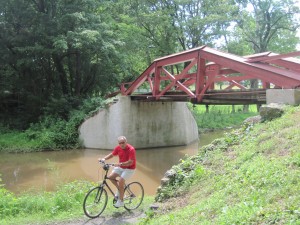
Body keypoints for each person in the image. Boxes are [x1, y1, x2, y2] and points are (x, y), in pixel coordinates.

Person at [99, 136, 136, 208]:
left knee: (121, 181)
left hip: (129, 169)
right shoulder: (118, 148)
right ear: (118, 143)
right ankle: (120, 190)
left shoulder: (131, 149)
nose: (122, 144)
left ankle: (121, 201)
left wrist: (120, 164)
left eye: (123, 142)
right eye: (120, 143)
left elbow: (130, 162)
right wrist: (103, 159)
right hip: (121, 167)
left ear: (126, 142)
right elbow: (112, 154)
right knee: (110, 177)